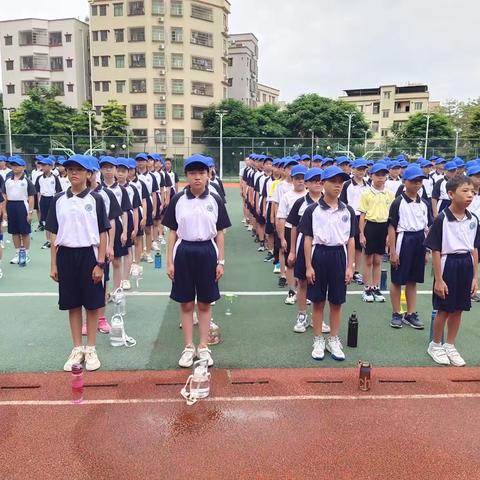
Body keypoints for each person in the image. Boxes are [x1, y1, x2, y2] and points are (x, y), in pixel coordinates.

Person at [162, 154, 231, 368]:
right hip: (183, 251)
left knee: (204, 302)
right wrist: (170, 262)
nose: (197, 177)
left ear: (208, 174)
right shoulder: (178, 199)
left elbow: (220, 233)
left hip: (207, 252)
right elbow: (172, 232)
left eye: (201, 173)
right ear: (187, 176)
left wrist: (221, 261)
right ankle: (188, 347)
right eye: (192, 173)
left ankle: (203, 346)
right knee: (185, 303)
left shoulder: (215, 199)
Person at [46, 154, 110, 372]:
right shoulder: (58, 200)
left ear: (88, 174)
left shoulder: (96, 199)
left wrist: (100, 263)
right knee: (72, 304)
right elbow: (54, 234)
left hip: (89, 256)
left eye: (79, 170)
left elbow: (103, 234)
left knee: (92, 305)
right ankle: (77, 348)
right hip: (66, 256)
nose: (73, 173)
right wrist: (53, 264)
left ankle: (91, 348)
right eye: (70, 169)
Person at [299, 166, 355, 361]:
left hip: (339, 255)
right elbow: (307, 238)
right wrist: (308, 266)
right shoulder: (312, 210)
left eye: (341, 182)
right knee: (317, 301)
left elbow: (350, 239)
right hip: (319, 255)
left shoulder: (347, 210)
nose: (338, 185)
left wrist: (350, 266)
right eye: (333, 181)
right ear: (323, 184)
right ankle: (318, 339)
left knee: (337, 301)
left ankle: (333, 338)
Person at [424, 175, 479, 367]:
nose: (470, 195)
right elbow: (436, 250)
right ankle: (436, 344)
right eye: (465, 191)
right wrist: (438, 279)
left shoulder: (473, 219)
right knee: (444, 309)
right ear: (450, 194)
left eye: (472, 191)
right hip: (448, 264)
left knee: (459, 309)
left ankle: (450, 344)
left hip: (465, 264)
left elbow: (474, 249)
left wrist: (474, 277)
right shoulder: (442, 219)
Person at [287, 167, 329, 334]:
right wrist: (292, 251)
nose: (318, 184)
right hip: (303, 244)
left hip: (321, 247)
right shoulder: (300, 202)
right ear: (307, 183)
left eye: (321, 181)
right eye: (314, 181)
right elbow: (294, 228)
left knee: (321, 282)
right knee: (303, 281)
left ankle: (317, 318)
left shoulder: (330, 201)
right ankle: (302, 315)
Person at [387, 165, 430, 329]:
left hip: (419, 240)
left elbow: (427, 227)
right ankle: (397, 312)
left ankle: (410, 313)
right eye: (414, 181)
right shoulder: (397, 202)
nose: (417, 184)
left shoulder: (424, 204)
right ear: (405, 182)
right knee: (398, 279)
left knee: (413, 279)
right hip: (403, 240)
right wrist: (392, 251)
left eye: (420, 181)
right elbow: (392, 227)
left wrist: (426, 250)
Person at [358, 162, 395, 302]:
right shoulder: (366, 193)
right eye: (377, 175)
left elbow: (391, 217)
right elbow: (362, 215)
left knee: (378, 260)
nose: (380, 177)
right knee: (368, 260)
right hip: (370, 227)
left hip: (383, 228)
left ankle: (376, 287)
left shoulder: (390, 194)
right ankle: (367, 288)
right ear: (371, 176)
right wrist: (361, 233)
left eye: (383, 175)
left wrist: (388, 235)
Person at [276, 164, 308, 305]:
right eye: (297, 178)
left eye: (303, 178)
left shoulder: (310, 195)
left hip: (308, 233)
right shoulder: (286, 197)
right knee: (291, 262)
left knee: (308, 263)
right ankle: (291, 290)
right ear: (292, 179)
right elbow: (281, 218)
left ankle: (306, 292)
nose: (300, 181)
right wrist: (282, 237)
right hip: (290, 231)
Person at [100, 156, 132, 290]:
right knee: (101, 261)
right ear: (100, 170)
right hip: (100, 228)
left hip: (116, 226)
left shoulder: (121, 190)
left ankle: (117, 290)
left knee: (116, 261)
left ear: (115, 170)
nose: (108, 171)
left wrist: (125, 231)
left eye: (111, 168)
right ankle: (104, 291)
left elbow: (124, 211)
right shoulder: (96, 188)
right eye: (104, 168)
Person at [340, 158, 369, 284]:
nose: (361, 171)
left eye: (363, 169)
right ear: (353, 169)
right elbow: (342, 202)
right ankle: (345, 269)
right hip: (348, 216)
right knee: (346, 243)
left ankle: (356, 271)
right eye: (359, 169)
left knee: (359, 246)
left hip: (362, 217)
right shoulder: (347, 184)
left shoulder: (368, 185)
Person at [4, 156, 35, 265]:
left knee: (25, 232)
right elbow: (4, 196)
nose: (15, 168)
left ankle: (25, 254)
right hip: (11, 206)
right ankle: (18, 253)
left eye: (17, 165)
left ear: (23, 167)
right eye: (13, 165)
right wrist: (4, 211)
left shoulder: (27, 181)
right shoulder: (8, 181)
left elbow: (31, 197)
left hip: (23, 206)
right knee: (14, 232)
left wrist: (30, 212)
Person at [34, 156, 61, 249]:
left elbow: (58, 191)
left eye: (45, 165)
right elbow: (37, 191)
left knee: (54, 219)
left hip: (52, 199)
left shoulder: (55, 178)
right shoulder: (39, 178)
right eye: (42, 165)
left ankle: (55, 238)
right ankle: (48, 240)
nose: (43, 167)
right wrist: (38, 202)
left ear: (50, 166)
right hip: (43, 199)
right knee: (45, 220)